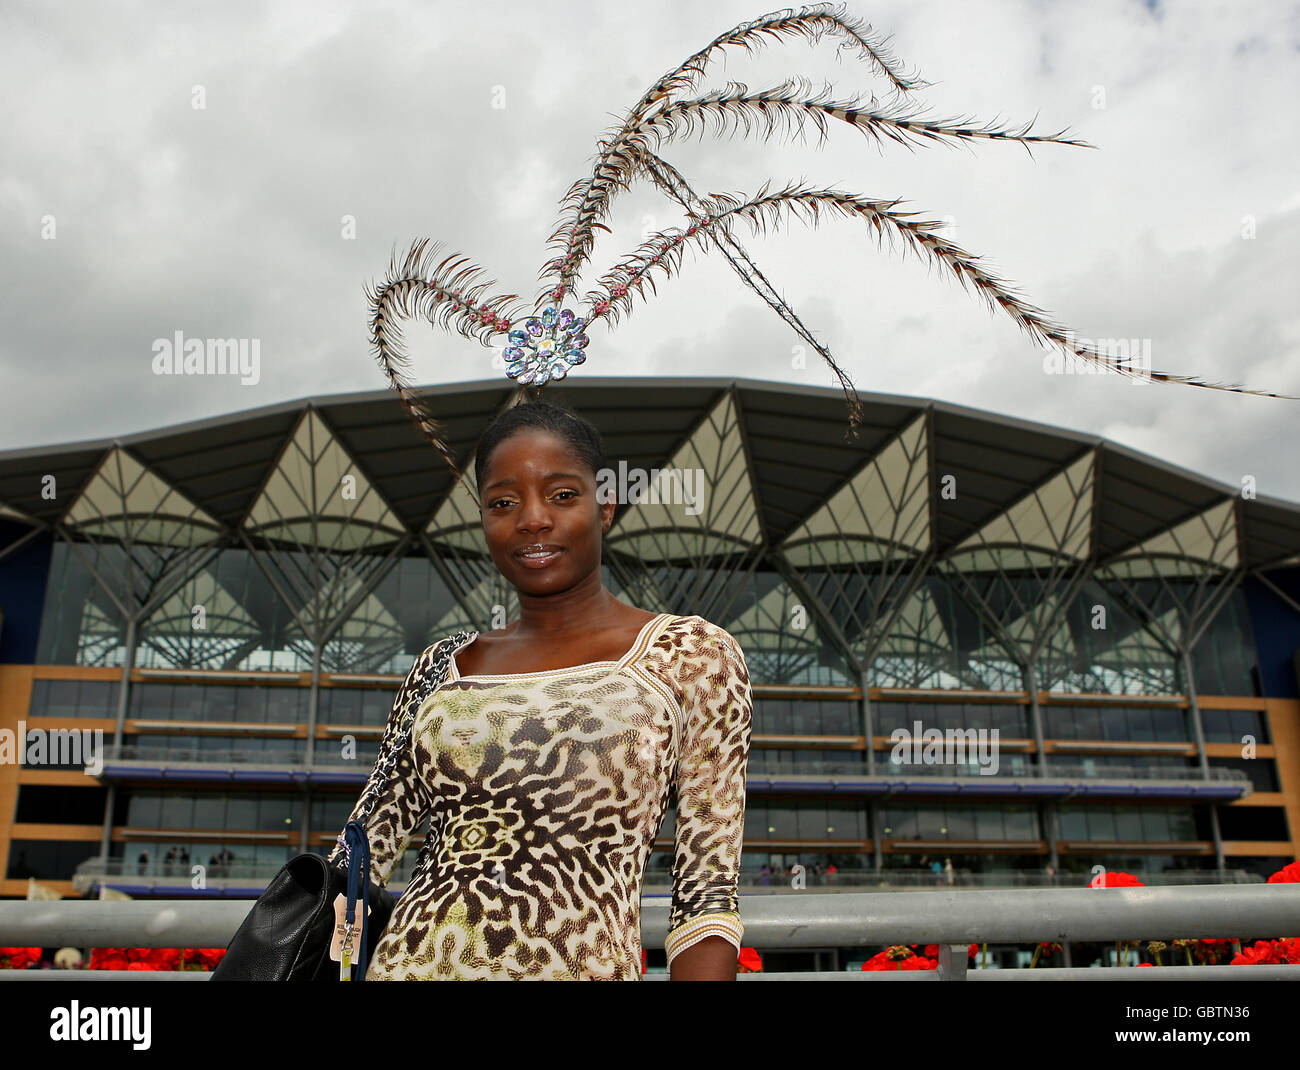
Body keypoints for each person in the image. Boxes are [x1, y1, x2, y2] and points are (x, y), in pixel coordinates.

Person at [328, 400, 753, 980]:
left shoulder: (691, 655)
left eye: (561, 495)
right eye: (503, 503)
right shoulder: (443, 666)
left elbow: (707, 889)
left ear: (604, 507)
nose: (531, 519)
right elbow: (364, 853)